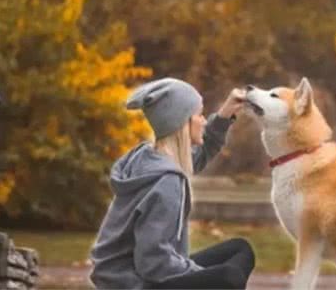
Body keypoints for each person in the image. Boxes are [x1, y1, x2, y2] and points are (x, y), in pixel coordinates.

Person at [90, 78, 255, 289]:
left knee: (240, 249)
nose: (204, 121)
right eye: (199, 115)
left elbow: (203, 152)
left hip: (130, 275)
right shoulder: (166, 182)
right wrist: (204, 277)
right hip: (132, 283)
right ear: (182, 123)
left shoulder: (150, 157)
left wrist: (225, 114)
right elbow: (153, 264)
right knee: (228, 278)